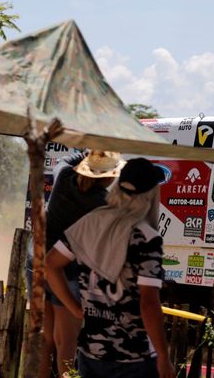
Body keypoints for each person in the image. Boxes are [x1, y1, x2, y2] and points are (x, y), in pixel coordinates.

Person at [46, 158, 174, 378]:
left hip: (91, 355)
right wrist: (163, 355)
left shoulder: (89, 222)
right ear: (151, 193)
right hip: (135, 358)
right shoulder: (146, 237)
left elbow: (50, 264)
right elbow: (149, 304)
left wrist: (76, 308)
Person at [40, 149, 125, 378]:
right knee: (66, 342)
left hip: (37, 260)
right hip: (66, 269)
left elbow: (66, 159)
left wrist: (89, 152)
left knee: (47, 338)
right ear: (107, 176)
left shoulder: (64, 175)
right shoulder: (100, 203)